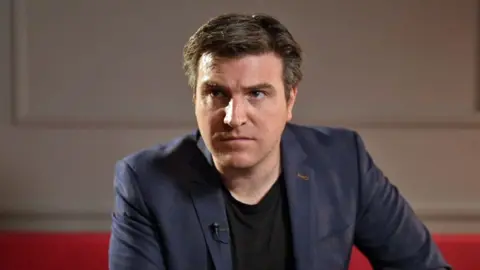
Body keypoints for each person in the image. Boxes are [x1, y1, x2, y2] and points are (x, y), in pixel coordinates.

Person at [108, 13, 451, 270]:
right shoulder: (146, 180)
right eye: (215, 93)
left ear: (290, 101)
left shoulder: (343, 162)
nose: (234, 117)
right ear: (194, 98)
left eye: (256, 93)